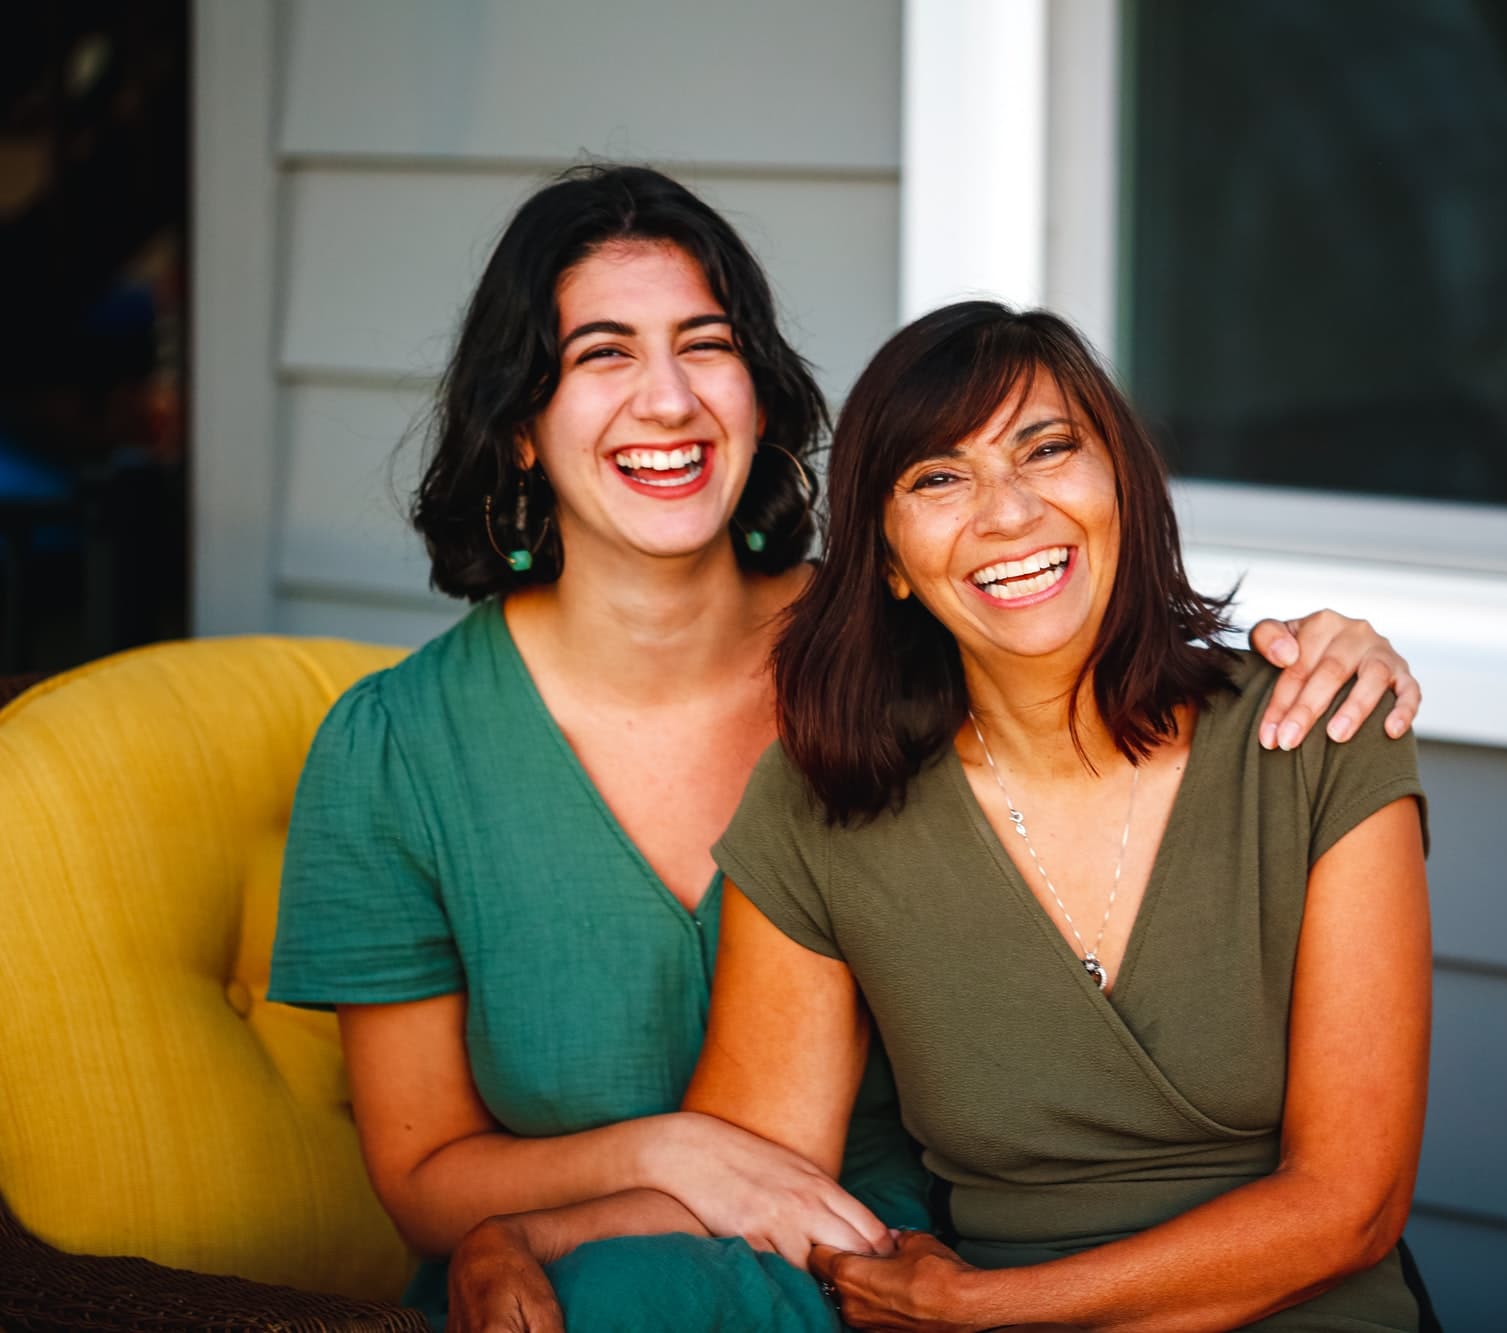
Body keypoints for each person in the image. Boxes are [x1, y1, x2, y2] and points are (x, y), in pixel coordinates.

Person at [269, 165, 1427, 1332]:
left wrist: (1327, 650)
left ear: (760, 395)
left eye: (704, 345)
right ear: (518, 423)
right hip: (755, 1272)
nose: (665, 399)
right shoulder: (424, 754)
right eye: (602, 353)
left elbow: (1347, 1199)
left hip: (936, 1269)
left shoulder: (951, 653)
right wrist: (572, 1206)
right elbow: (688, 1151)